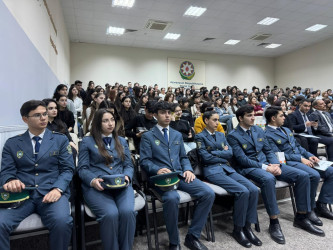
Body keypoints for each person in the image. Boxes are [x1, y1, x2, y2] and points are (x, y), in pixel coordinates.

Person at [227, 105, 324, 245]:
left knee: (303, 176)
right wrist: (268, 167)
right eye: (249, 115)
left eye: (254, 114)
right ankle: (274, 222)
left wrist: (276, 164)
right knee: (268, 178)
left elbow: (268, 151)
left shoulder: (258, 130)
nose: (253, 117)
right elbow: (242, 160)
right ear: (240, 118)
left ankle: (302, 216)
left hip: (270, 164)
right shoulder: (233, 136)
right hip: (250, 167)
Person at [140, 101, 215, 250]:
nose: (167, 115)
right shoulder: (148, 136)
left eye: (169, 112)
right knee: (172, 198)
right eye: (163, 112)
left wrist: (188, 169)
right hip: (161, 179)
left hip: (180, 175)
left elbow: (183, 157)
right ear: (155, 115)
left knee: (208, 193)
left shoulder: (176, 134)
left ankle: (192, 237)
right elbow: (145, 161)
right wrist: (157, 169)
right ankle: (174, 242)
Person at [0, 100, 74, 250]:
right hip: (22, 195)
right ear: (25, 119)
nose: (44, 118)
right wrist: (10, 180)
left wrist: (58, 189)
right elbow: (6, 171)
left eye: (45, 114)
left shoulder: (60, 139)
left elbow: (68, 169)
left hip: (51, 192)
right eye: (38, 115)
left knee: (62, 222)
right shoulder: (12, 143)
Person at [196, 111, 261, 248]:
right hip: (212, 171)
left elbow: (230, 153)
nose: (217, 123)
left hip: (227, 168)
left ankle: (247, 227)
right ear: (206, 120)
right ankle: (238, 229)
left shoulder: (221, 134)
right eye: (214, 120)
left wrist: (214, 152)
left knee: (254, 189)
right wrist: (222, 153)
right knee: (242, 191)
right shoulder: (200, 136)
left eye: (218, 120)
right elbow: (205, 158)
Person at [78, 109, 135, 250]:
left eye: (112, 120)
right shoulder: (87, 141)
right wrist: (92, 180)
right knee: (110, 214)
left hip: (121, 184)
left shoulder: (121, 140)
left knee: (127, 212)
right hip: (98, 186)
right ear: (98, 123)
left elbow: (128, 164)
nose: (110, 124)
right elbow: (82, 169)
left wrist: (127, 176)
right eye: (105, 120)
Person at [265, 106, 333, 223]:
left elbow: (298, 147)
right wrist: (301, 159)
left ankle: (321, 204)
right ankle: (310, 208)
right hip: (290, 162)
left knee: (331, 171)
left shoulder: (286, 130)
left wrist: (309, 155)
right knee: (313, 175)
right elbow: (276, 155)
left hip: (301, 158)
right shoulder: (266, 133)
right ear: (273, 118)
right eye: (281, 115)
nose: (284, 117)